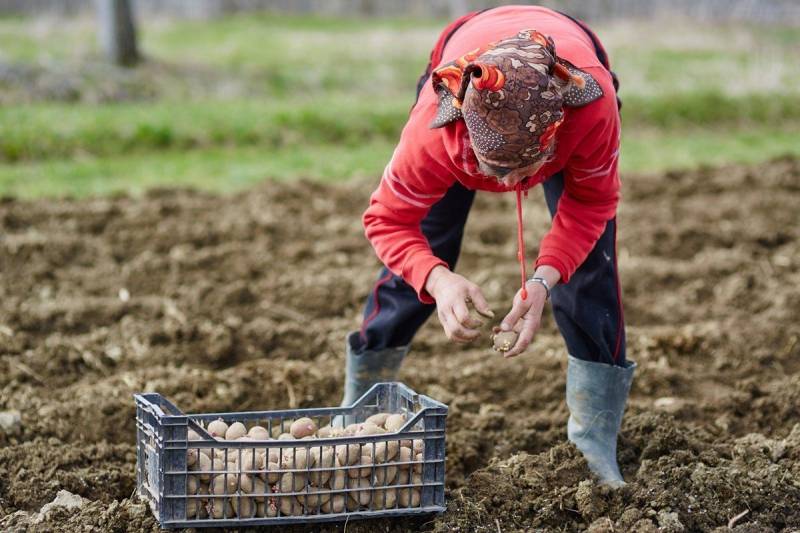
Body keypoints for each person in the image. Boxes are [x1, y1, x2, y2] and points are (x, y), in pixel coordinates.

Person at [342, 5, 635, 487]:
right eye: (497, 171)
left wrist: (544, 279)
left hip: (572, 65)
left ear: (552, 141)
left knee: (590, 270)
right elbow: (388, 219)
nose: (510, 185)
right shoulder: (434, 131)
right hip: (465, 59)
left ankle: (594, 441)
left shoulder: (589, 108)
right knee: (424, 248)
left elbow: (591, 204)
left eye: (524, 170)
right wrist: (437, 279)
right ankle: (362, 407)